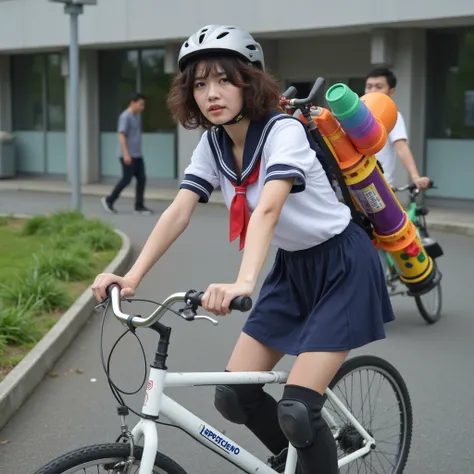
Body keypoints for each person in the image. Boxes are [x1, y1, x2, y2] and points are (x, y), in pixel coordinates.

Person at [92, 25, 395, 474]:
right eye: (199, 84)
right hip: (294, 270)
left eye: (223, 79)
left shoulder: (283, 132)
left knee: (298, 409)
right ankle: (302, 456)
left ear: (248, 81)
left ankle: (310, 447)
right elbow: (178, 211)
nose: (211, 93)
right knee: (235, 394)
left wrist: (243, 282)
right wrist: (131, 278)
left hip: (343, 264)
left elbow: (269, 208)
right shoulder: (213, 144)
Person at [365, 66, 431, 190]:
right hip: (354, 186)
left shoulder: (391, 115)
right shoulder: (355, 115)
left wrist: (415, 177)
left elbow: (401, 147)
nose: (372, 91)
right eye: (369, 86)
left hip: (379, 188)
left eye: (379, 87)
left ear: (391, 92)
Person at [101, 92, 153, 215]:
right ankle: (109, 200)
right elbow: (121, 135)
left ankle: (139, 206)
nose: (142, 107)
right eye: (140, 104)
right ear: (132, 103)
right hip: (128, 155)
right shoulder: (125, 116)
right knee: (126, 179)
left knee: (142, 179)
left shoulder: (135, 117)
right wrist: (126, 154)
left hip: (137, 155)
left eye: (143, 104)